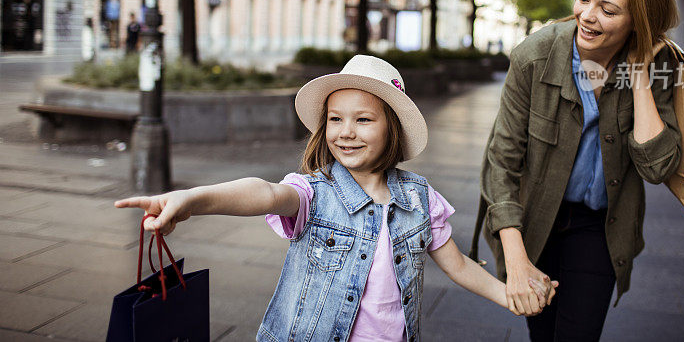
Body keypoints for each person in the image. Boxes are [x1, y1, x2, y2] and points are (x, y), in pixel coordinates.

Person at [116, 55, 554, 341]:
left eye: (363, 119)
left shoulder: (421, 199)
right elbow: (264, 193)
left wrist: (509, 296)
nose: (346, 131)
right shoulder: (314, 193)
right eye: (335, 119)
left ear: (392, 129)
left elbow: (457, 265)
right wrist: (192, 199)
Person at [477, 0, 682, 341]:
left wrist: (640, 76)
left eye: (608, 9)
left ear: (638, 20)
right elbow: (501, 164)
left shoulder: (660, 65)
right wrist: (516, 260)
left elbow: (657, 168)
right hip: (535, 221)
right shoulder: (534, 57)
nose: (587, 16)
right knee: (543, 334)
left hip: (600, 226)